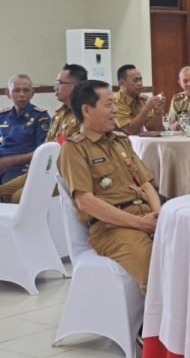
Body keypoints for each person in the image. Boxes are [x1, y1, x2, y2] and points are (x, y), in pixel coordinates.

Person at [58, 80, 161, 293]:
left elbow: (145, 183)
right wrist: (140, 224)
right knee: (154, 264)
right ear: (87, 110)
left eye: (114, 103)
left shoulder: (121, 141)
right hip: (111, 228)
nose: (115, 110)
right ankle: (156, 314)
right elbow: (85, 202)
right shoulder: (74, 149)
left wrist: (159, 217)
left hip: (146, 216)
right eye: (108, 105)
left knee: (185, 250)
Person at [0, 64, 87, 203]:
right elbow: (49, 144)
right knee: (2, 192)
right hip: (46, 168)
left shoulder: (83, 113)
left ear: (76, 86)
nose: (54, 88)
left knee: (18, 198)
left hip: (65, 173)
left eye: (59, 83)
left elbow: (67, 146)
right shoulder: (60, 113)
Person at [0, 74, 50, 184]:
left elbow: (43, 150)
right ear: (8, 93)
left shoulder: (41, 117)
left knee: (5, 188)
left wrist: (10, 161)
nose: (22, 95)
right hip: (2, 165)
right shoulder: (2, 116)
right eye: (17, 90)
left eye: (26, 90)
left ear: (32, 93)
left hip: (22, 167)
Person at [114, 64, 165, 134]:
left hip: (138, 140)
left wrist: (158, 112)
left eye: (140, 80)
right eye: (135, 80)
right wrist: (146, 108)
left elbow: (154, 129)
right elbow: (130, 130)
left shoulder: (142, 99)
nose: (140, 83)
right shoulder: (116, 101)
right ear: (121, 83)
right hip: (120, 140)